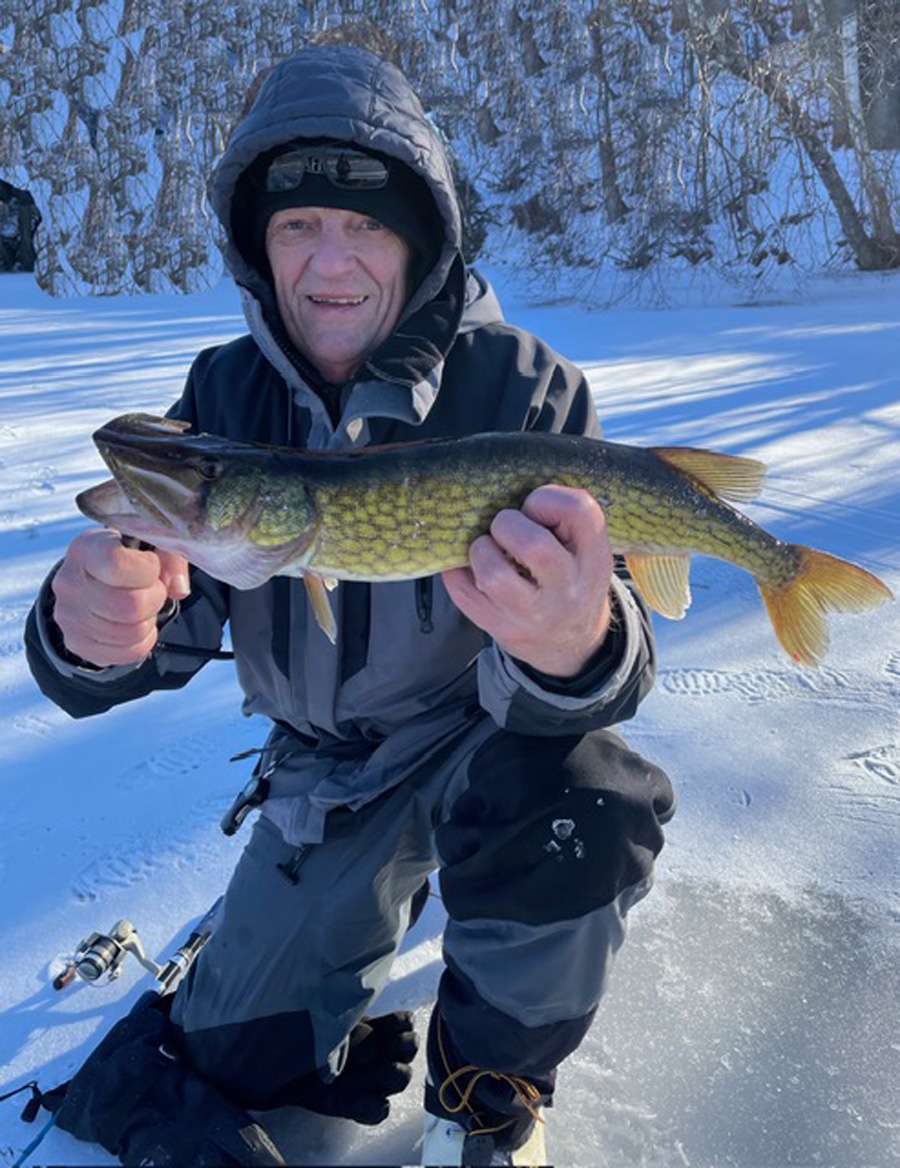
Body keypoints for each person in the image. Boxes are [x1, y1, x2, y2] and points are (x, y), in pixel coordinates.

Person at [25, 44, 675, 1167]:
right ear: (255, 243)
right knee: (233, 1059)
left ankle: (491, 1084)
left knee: (580, 797)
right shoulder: (223, 402)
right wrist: (92, 633)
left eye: (366, 225)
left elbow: (618, 644)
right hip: (329, 777)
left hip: (491, 742)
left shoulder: (524, 388)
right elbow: (170, 609)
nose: (330, 261)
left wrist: (580, 640)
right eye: (295, 226)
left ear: (419, 238)